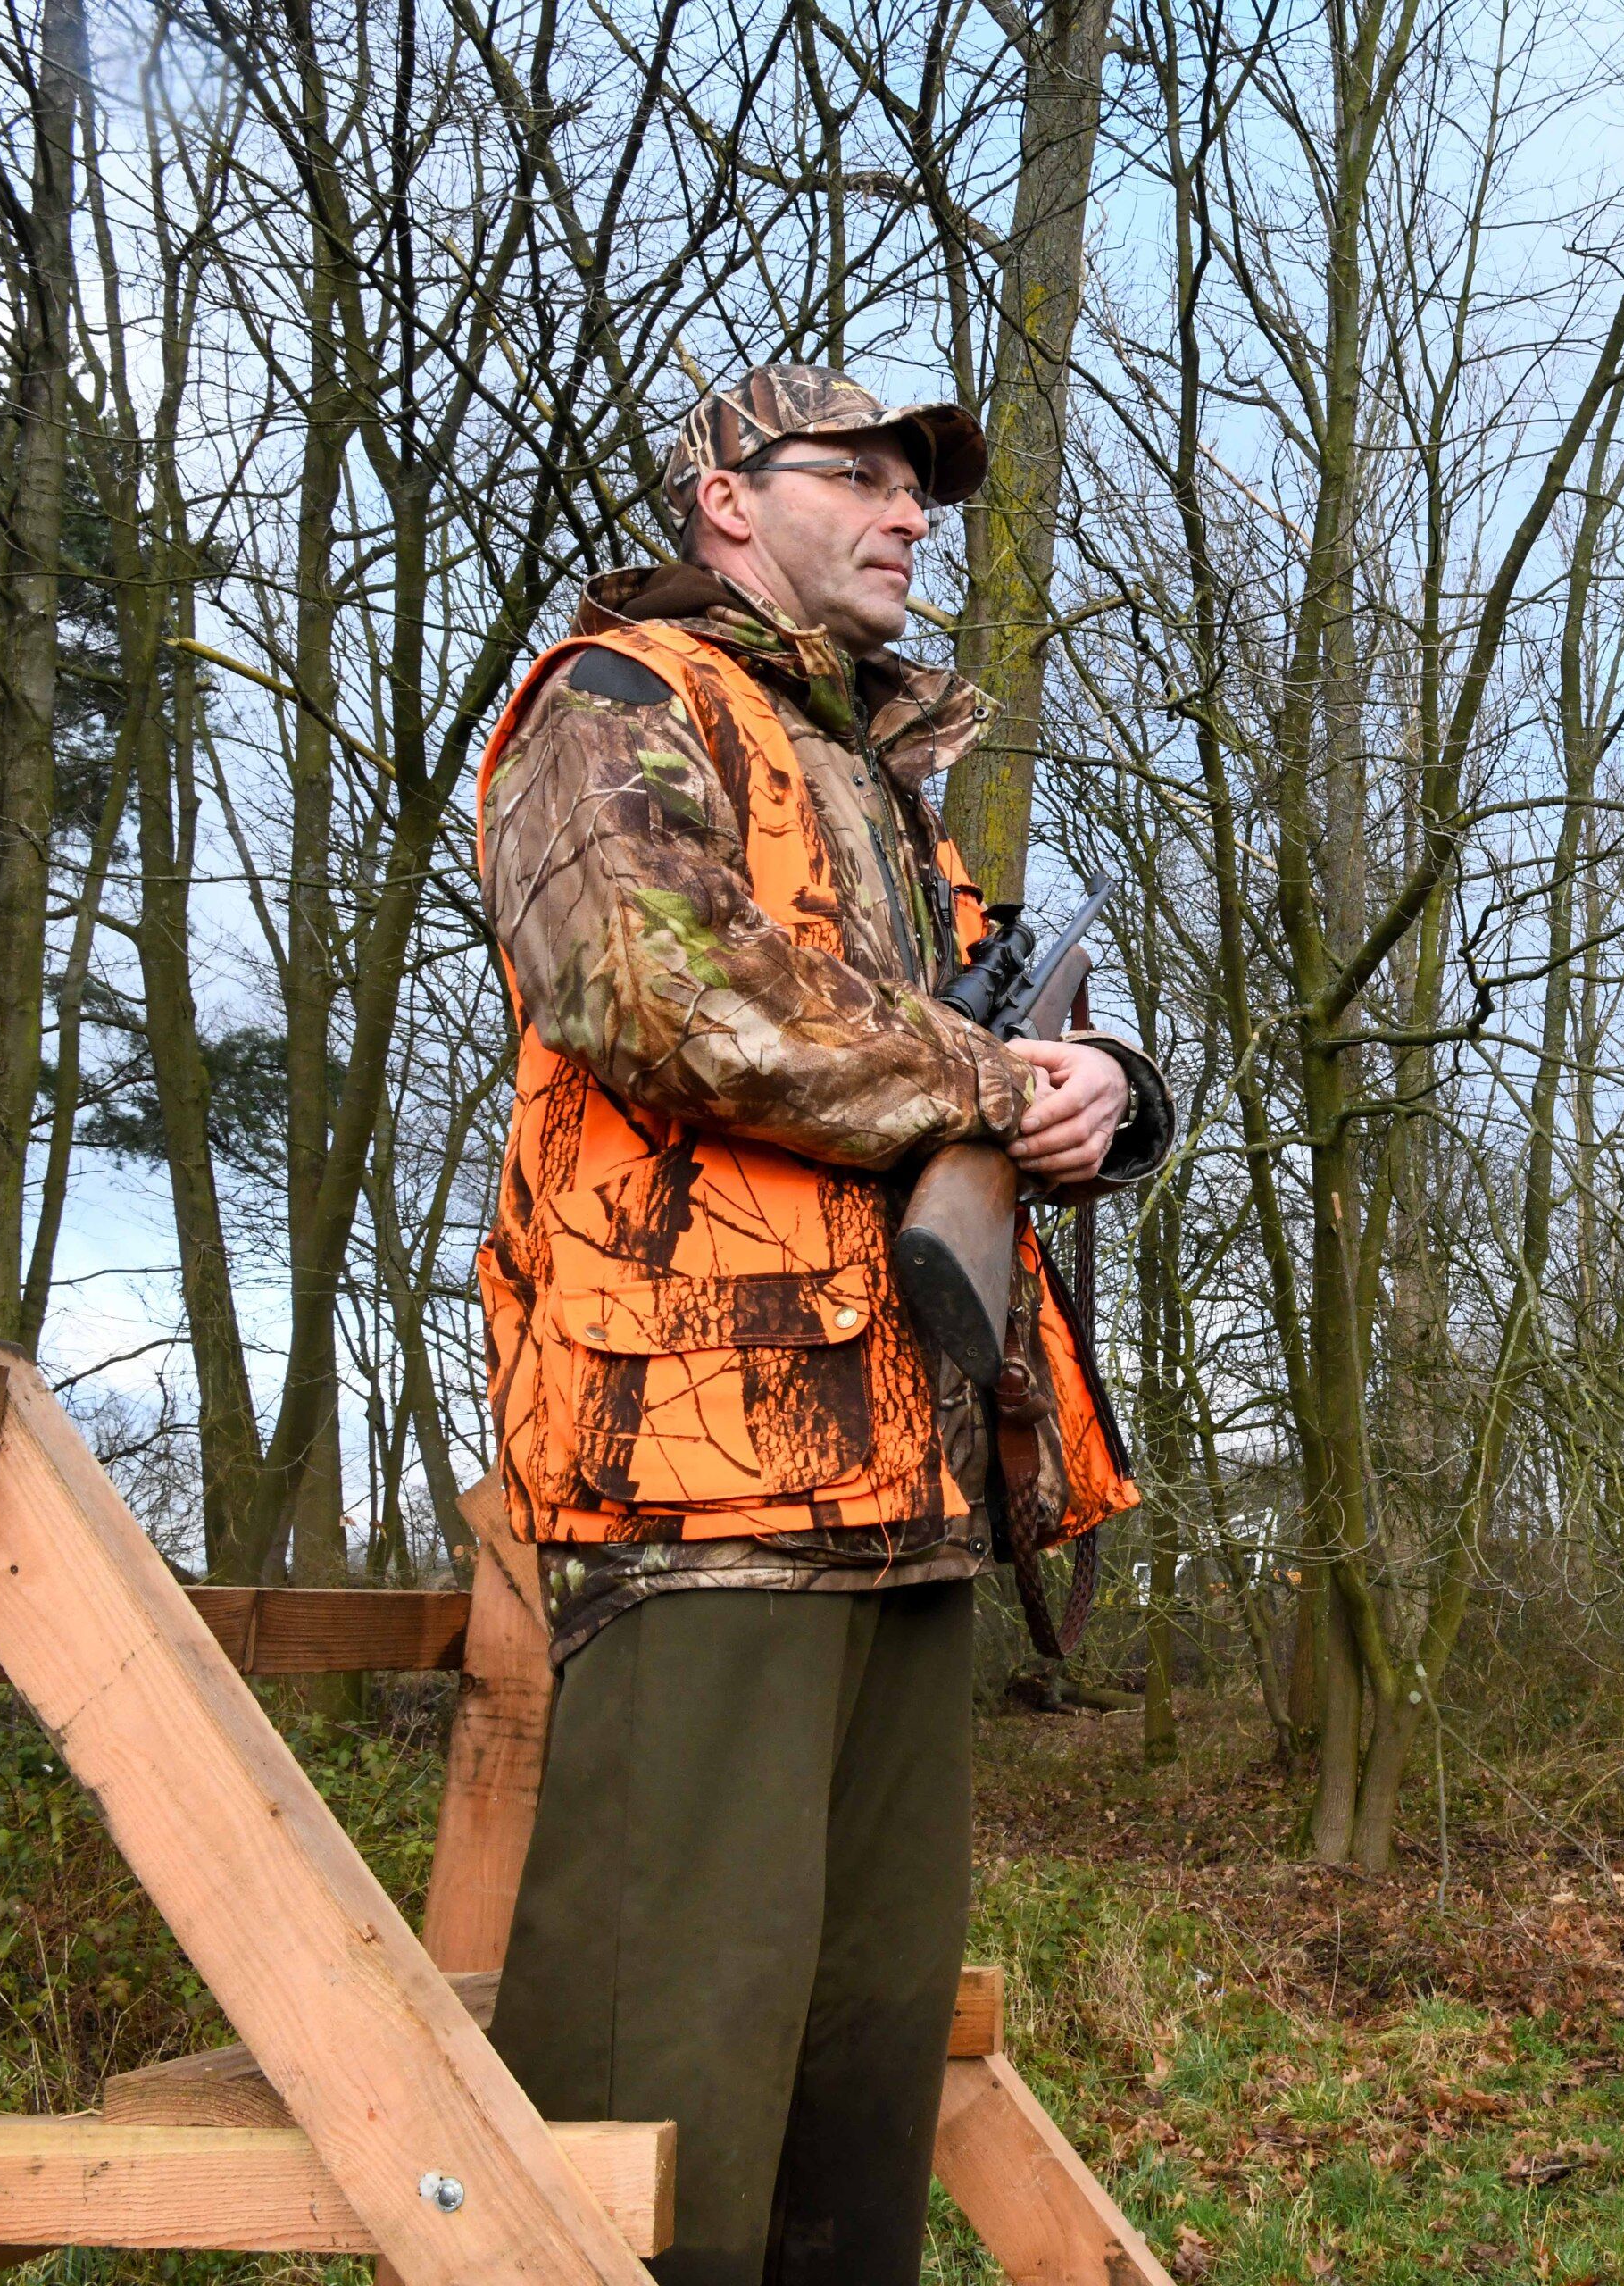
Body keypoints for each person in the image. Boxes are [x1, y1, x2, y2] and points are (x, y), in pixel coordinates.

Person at [468, 363, 1171, 2286]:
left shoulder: (874, 778)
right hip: (704, 1486)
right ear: (725, 501)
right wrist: (987, 1073)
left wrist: (1104, 1092)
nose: (907, 513)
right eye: (855, 476)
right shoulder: (614, 703)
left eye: (918, 488)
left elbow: (971, 1032)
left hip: (908, 1483)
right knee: (661, 2096)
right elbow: (658, 989)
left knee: (854, 2105)